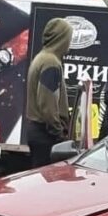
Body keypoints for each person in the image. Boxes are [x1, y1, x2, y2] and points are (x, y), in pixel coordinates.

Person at [25, 18, 73, 167]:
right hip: (45, 135)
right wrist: (58, 134)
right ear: (62, 39)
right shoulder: (50, 62)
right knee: (46, 184)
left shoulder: (42, 57)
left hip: (39, 131)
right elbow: (47, 102)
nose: (70, 42)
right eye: (69, 38)